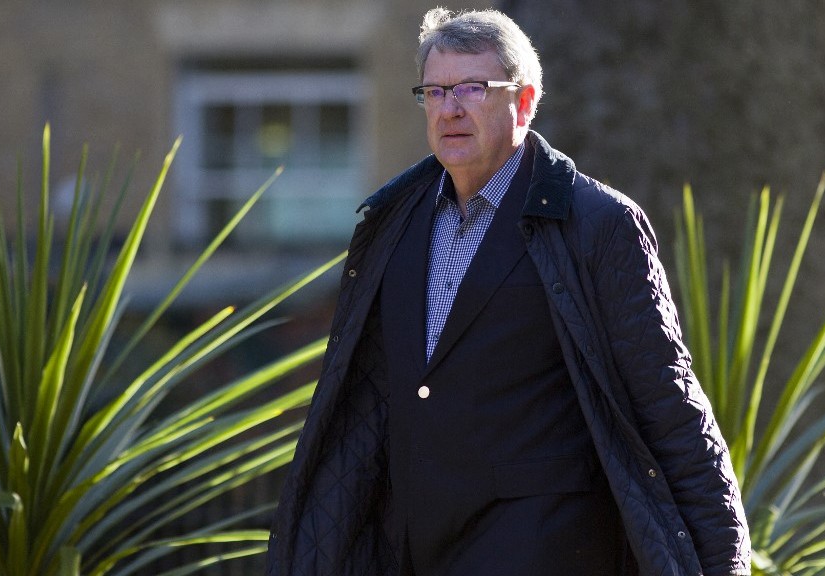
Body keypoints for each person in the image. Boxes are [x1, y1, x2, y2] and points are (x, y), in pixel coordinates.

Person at [267, 7, 750, 576]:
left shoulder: (597, 225)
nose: (450, 107)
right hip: (414, 550)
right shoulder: (390, 225)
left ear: (524, 102)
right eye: (436, 90)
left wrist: (723, 563)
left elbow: (671, 412)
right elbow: (360, 412)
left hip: (547, 550)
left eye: (473, 88)